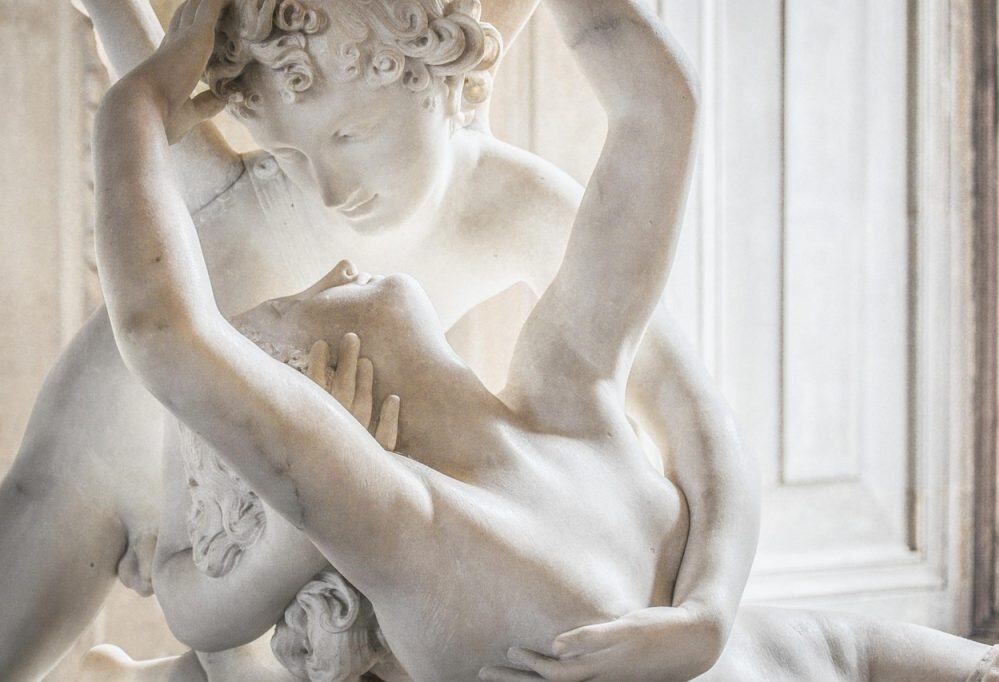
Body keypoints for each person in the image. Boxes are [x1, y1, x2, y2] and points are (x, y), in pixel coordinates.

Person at [91, 1, 999, 680]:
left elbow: (658, 112)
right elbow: (163, 330)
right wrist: (144, 91)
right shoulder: (407, 525)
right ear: (319, 413)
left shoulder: (559, 390)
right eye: (293, 309)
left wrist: (710, 613)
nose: (331, 260)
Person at [0, 0, 760, 678]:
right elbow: (158, 323)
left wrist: (711, 609)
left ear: (438, 80)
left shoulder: (516, 208)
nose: (332, 190)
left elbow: (692, 414)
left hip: (285, 490)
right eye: (289, 151)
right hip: (100, 452)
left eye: (351, 134)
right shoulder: (226, 190)